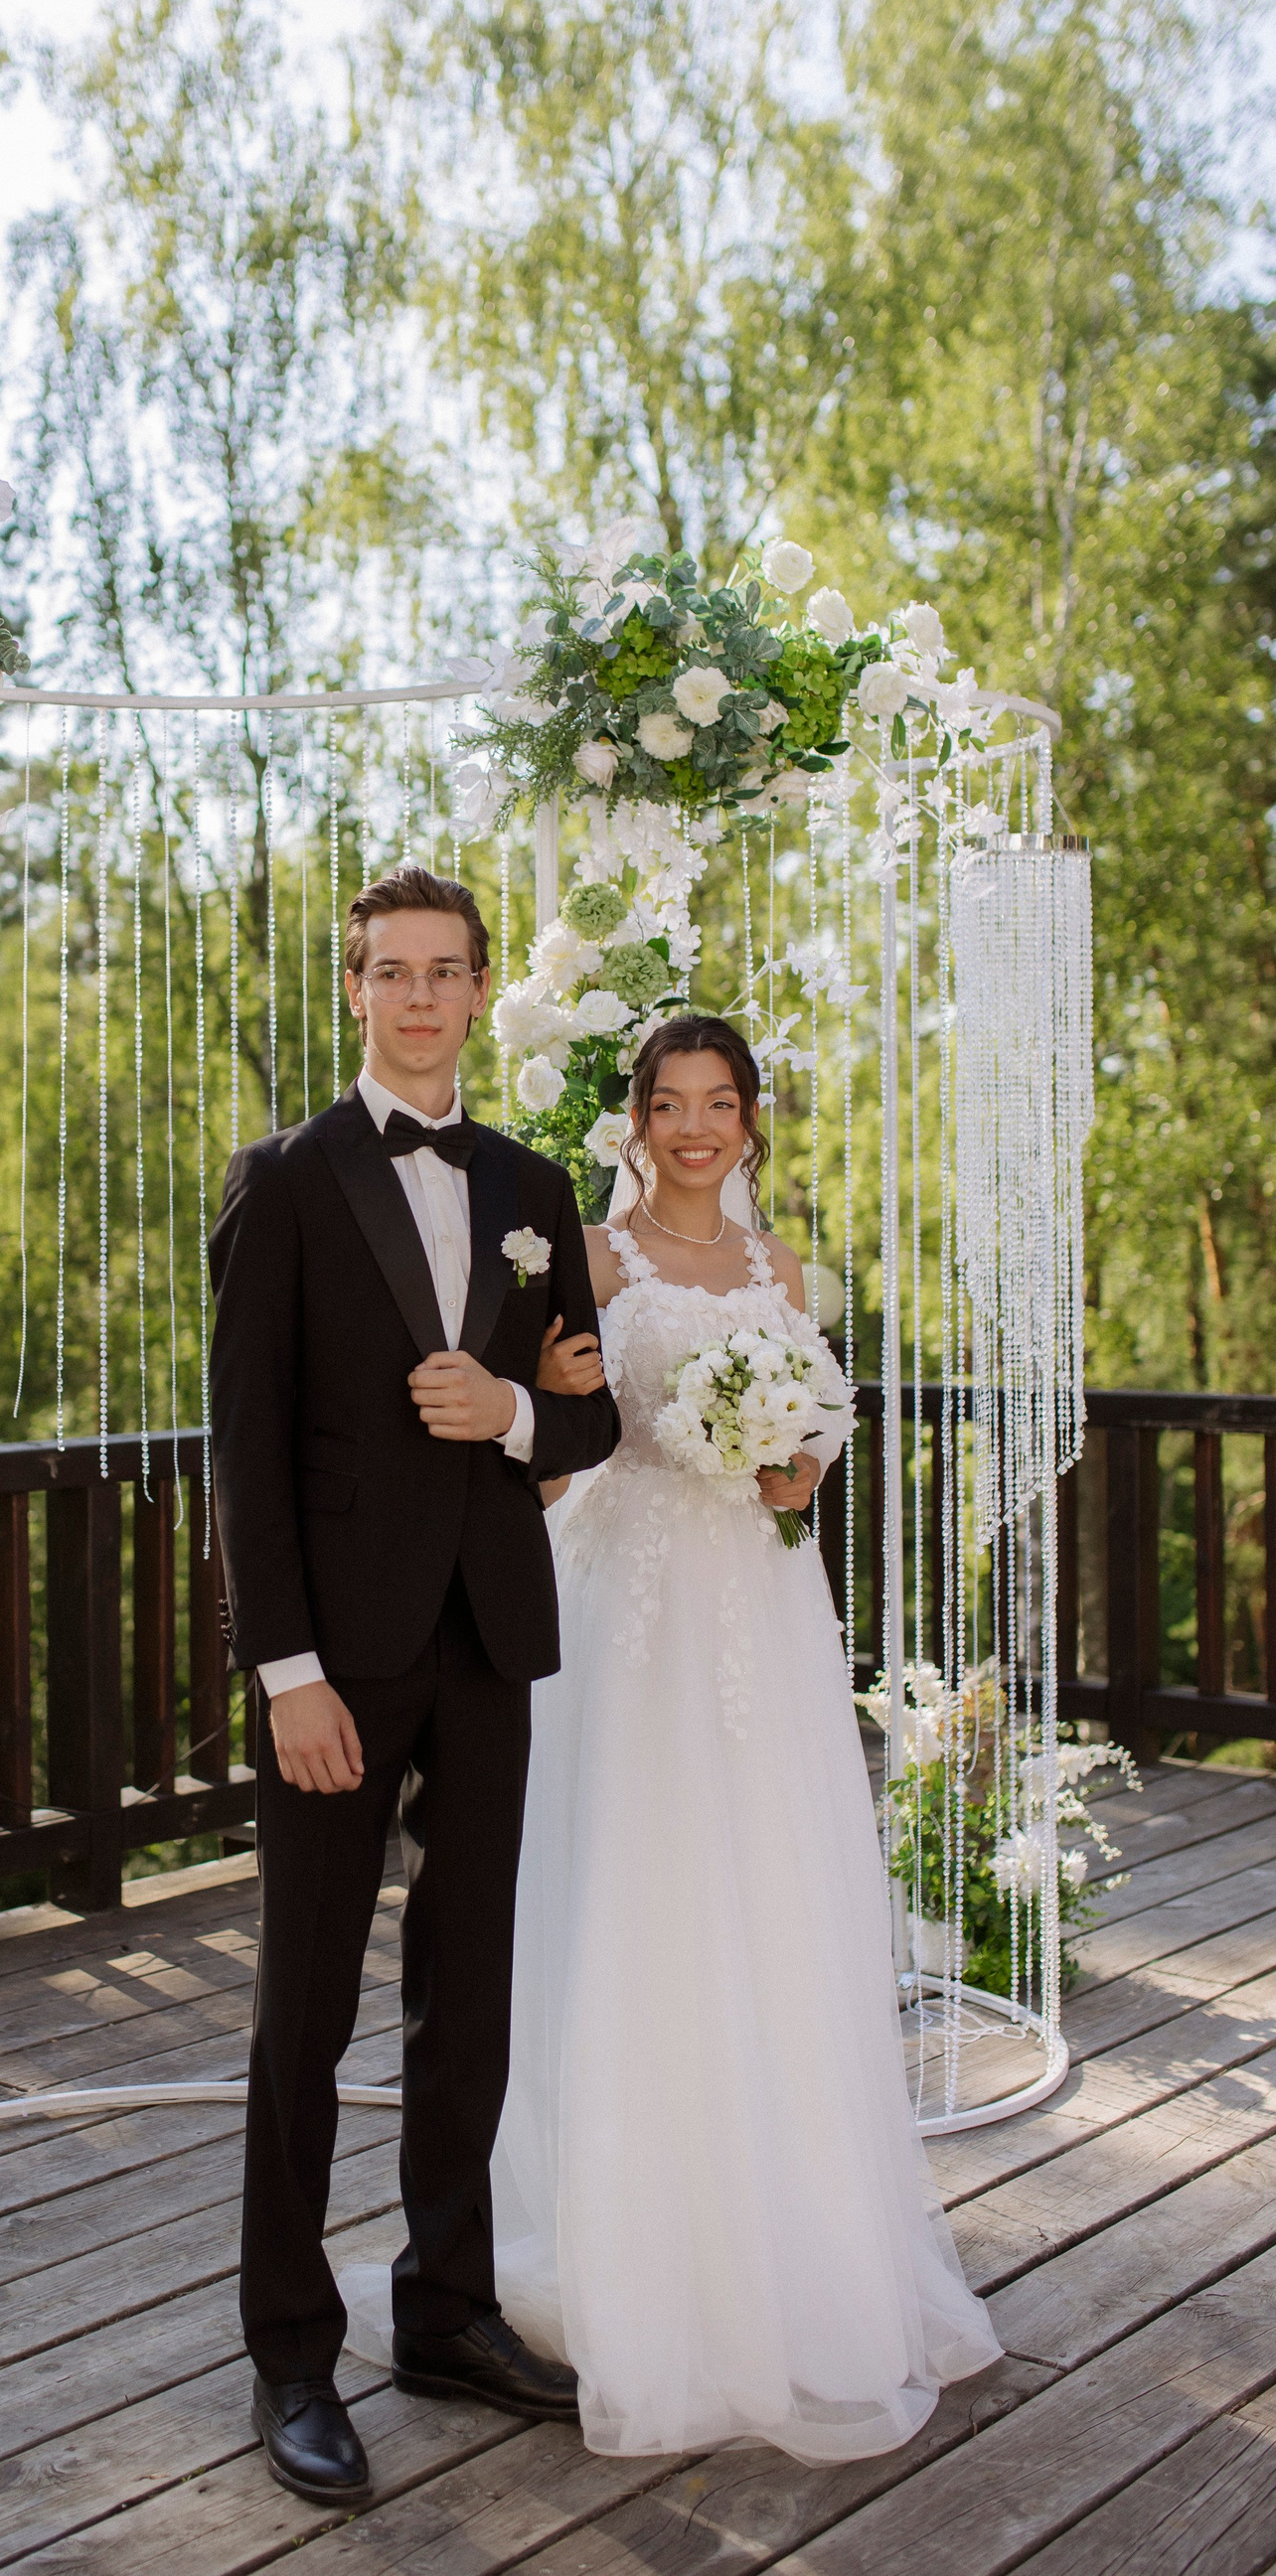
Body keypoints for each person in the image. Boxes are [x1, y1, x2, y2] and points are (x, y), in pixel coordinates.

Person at [459, 1012, 1001, 2459]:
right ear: (634, 1119)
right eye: (670, 1103)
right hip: (627, 1612)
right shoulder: (588, 1259)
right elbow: (551, 1449)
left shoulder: (786, 1272)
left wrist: (788, 1466)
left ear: (751, 1120)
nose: (695, 1128)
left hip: (757, 1612)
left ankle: (790, 2249)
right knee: (630, 1899)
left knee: (768, 1899)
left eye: (720, 1103)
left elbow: (811, 1440)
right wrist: (569, 1421)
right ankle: (623, 2255)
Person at [209, 861, 621, 2503]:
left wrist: (510, 1415)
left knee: (470, 1996)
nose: (423, 997)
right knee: (304, 2010)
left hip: (489, 1641)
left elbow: (586, 1416)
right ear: (357, 987)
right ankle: (292, 2354)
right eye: (394, 970)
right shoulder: (285, 1179)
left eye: (449, 970)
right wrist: (286, 1673)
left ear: (479, 986)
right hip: (336, 1661)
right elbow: (244, 1452)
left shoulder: (532, 1186)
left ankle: (445, 2309)